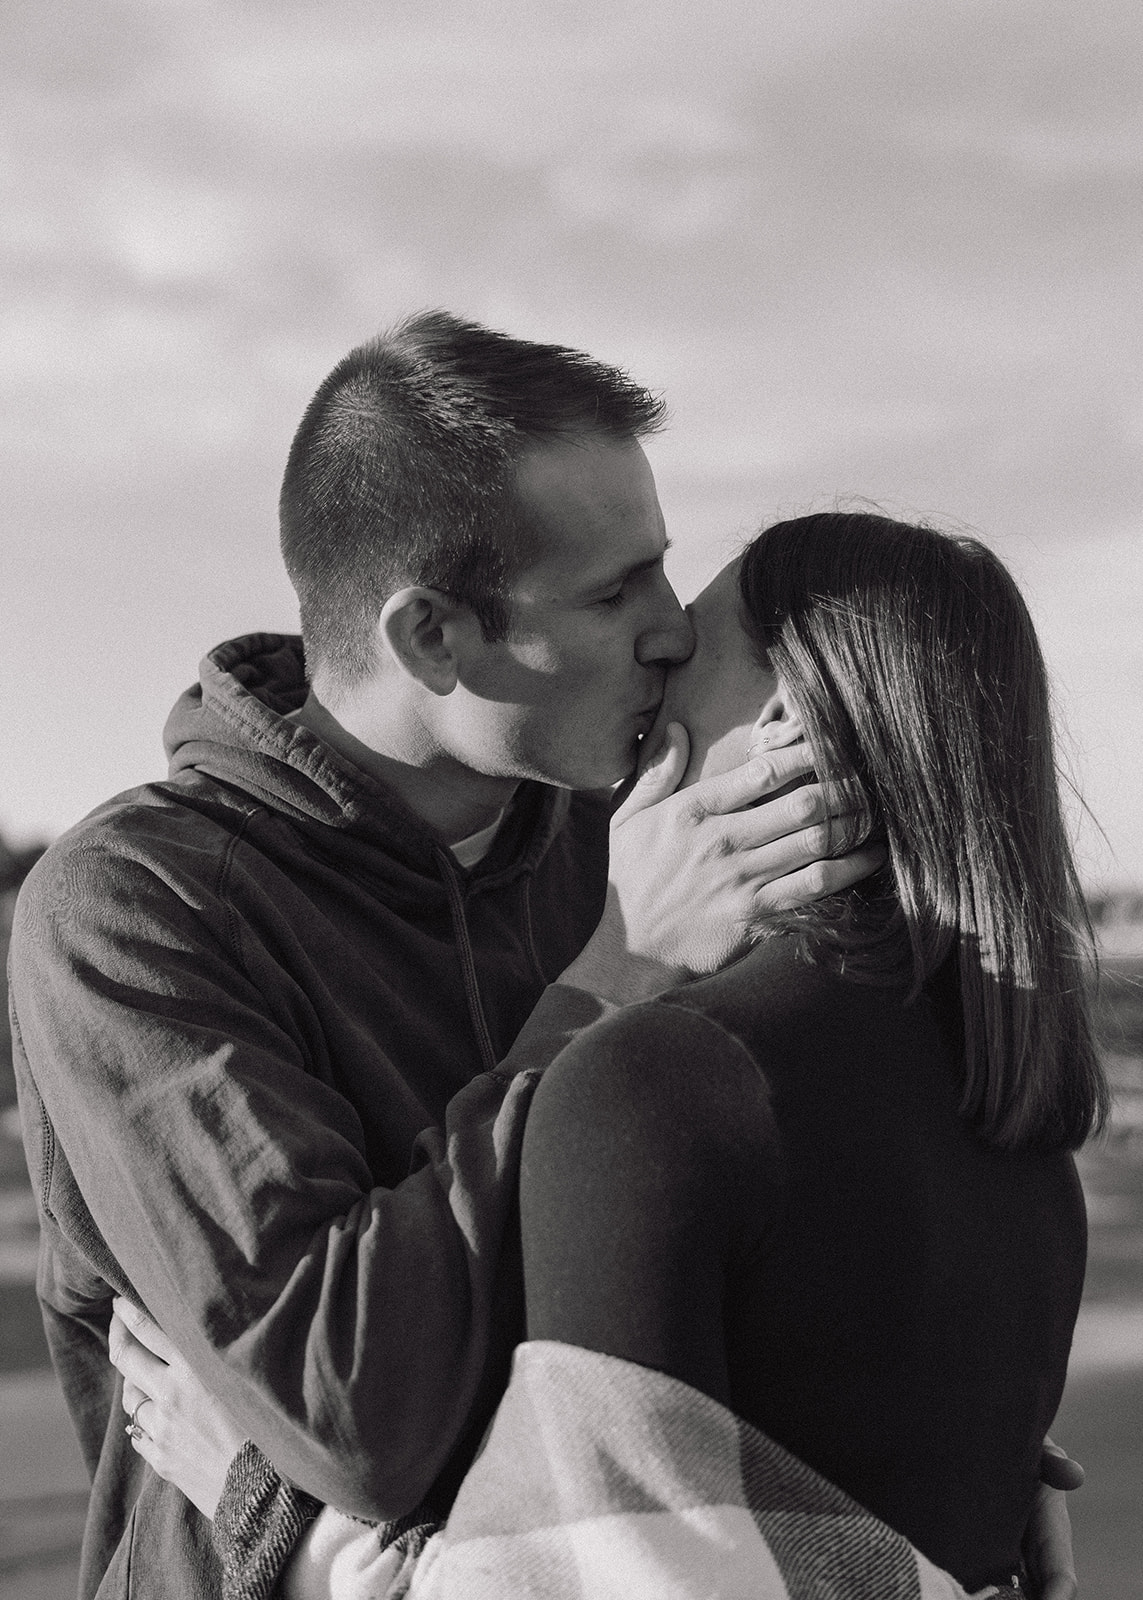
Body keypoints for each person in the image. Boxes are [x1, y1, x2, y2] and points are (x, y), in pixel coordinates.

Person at [9, 314, 873, 1599]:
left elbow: (805, 1242)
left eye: (663, 571)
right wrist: (620, 971)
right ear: (431, 639)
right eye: (611, 590)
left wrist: (976, 1446)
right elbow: (355, 1414)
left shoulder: (630, 840)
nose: (673, 632)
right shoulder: (136, 907)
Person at [109, 514, 1094, 1599]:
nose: (650, 672)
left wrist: (276, 1514)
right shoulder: (1019, 1125)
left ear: (779, 727)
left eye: (682, 655)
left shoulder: (655, 1089)